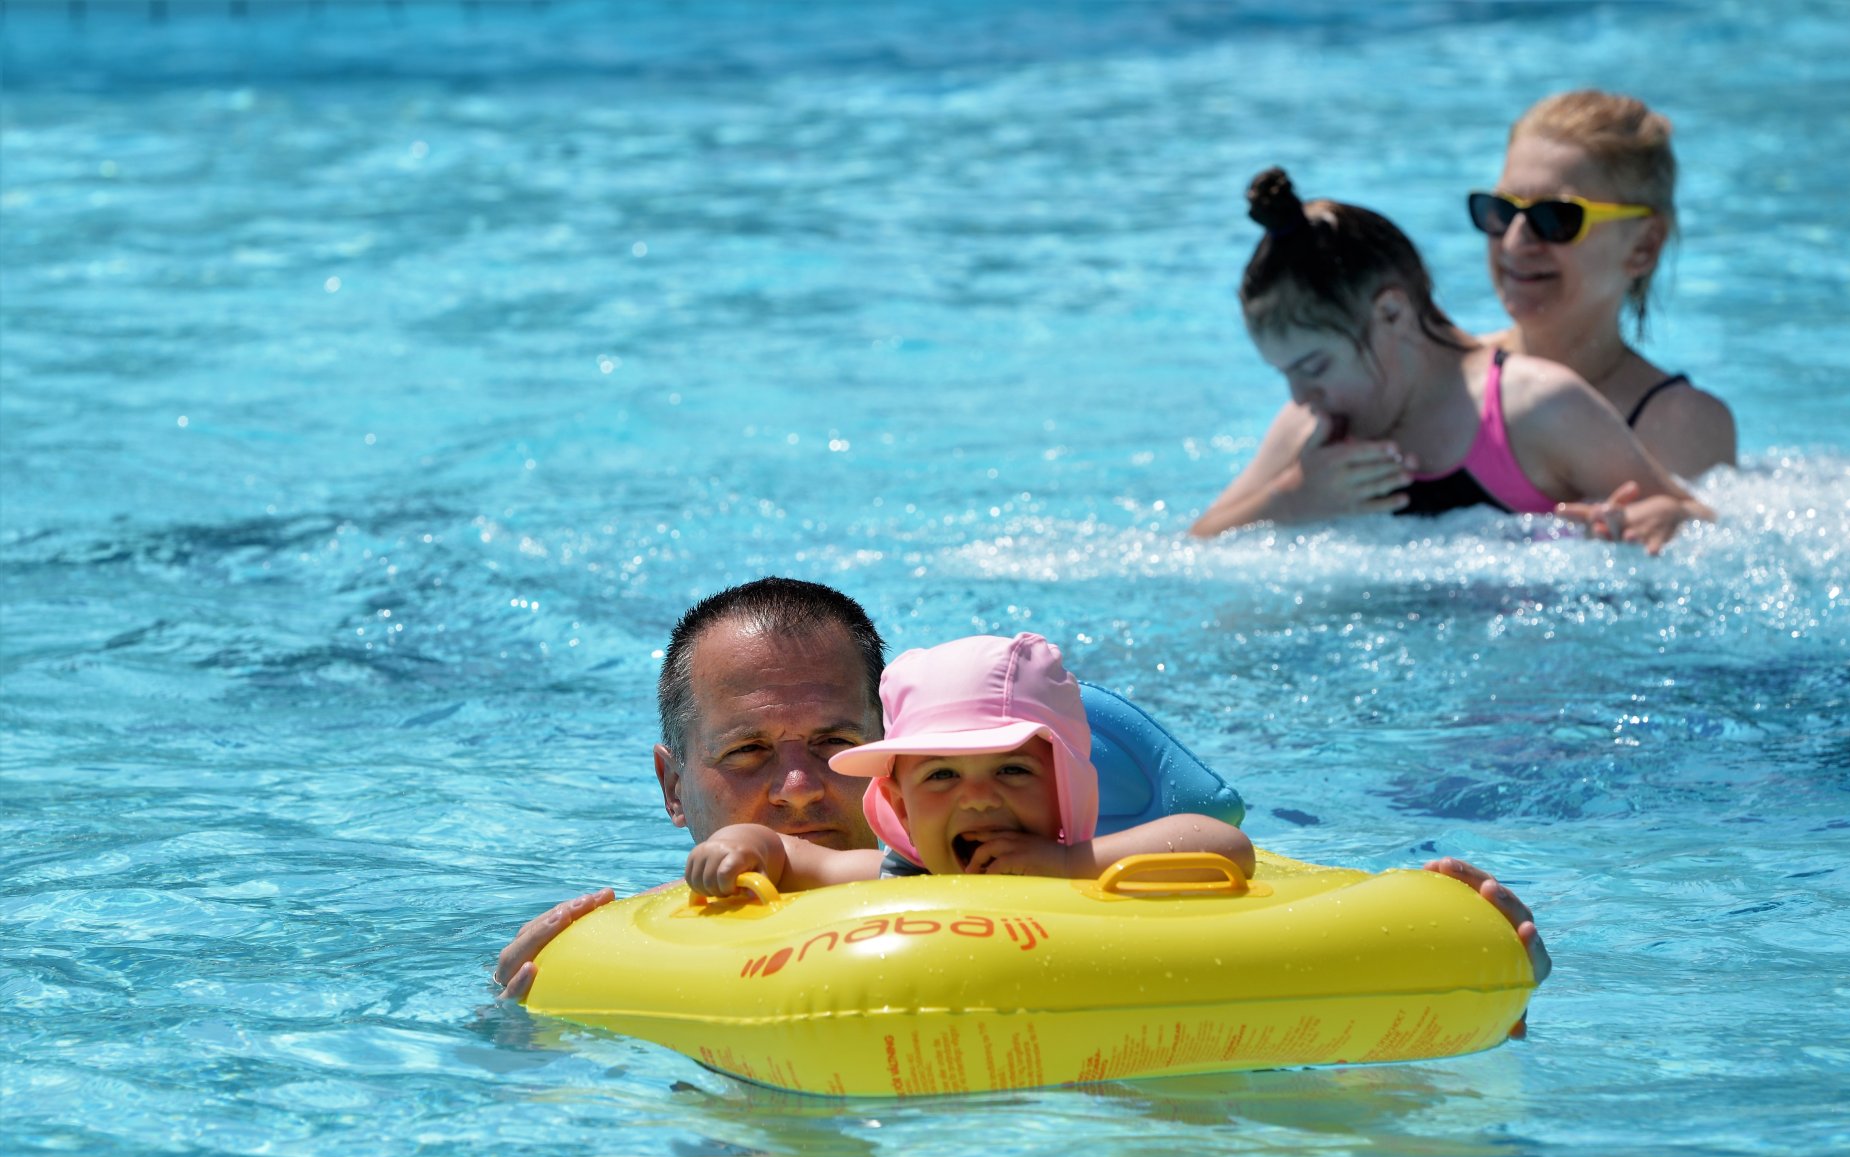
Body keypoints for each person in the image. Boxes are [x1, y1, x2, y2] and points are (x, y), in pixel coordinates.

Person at [493, 578, 1551, 1029]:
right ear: (674, 790)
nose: (803, 788)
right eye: (750, 756)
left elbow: (1224, 857)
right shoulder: (654, 944)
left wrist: (1478, 986)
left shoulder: (1080, 858)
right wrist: (521, 1028)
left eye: (836, 746)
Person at [1188, 168, 1714, 552]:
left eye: (1314, 367)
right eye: (1285, 375)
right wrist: (1292, 500)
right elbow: (1196, 547)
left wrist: (1660, 520)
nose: (1300, 396)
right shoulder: (1315, 435)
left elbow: (1701, 522)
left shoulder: (1536, 408)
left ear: (1392, 312)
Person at [682, 632, 1256, 897]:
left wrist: (1066, 863)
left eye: (1012, 770)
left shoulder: (1094, 868)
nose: (977, 798)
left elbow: (1225, 844)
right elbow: (791, 856)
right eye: (942, 776)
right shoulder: (897, 879)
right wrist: (742, 842)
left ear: (1066, 790)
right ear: (899, 804)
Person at [1477, 89, 1736, 480]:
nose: (1515, 241)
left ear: (1643, 246)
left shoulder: (1677, 426)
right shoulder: (1439, 379)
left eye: (1556, 218)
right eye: (1501, 210)